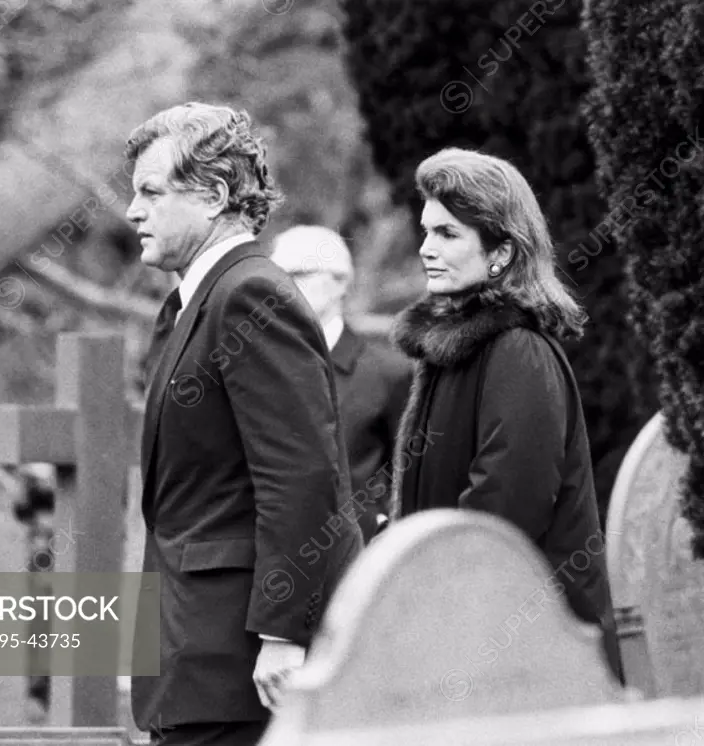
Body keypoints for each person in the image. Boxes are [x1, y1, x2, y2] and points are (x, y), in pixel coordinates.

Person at [125, 102, 363, 746]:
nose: (132, 211)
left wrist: (284, 634)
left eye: (151, 192)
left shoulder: (250, 296)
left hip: (241, 663)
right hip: (196, 655)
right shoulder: (192, 304)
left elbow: (303, 476)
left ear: (215, 195)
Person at [388, 147, 622, 679]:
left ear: (501, 252)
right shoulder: (452, 352)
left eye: (448, 234)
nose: (426, 248)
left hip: (525, 645)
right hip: (462, 628)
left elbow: (505, 508)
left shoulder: (517, 351)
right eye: (426, 231)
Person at [270, 226, 412, 544]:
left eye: (298, 274)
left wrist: (378, 526)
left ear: (340, 283)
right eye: (276, 276)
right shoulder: (256, 366)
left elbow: (409, 475)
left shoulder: (388, 374)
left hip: (355, 564)